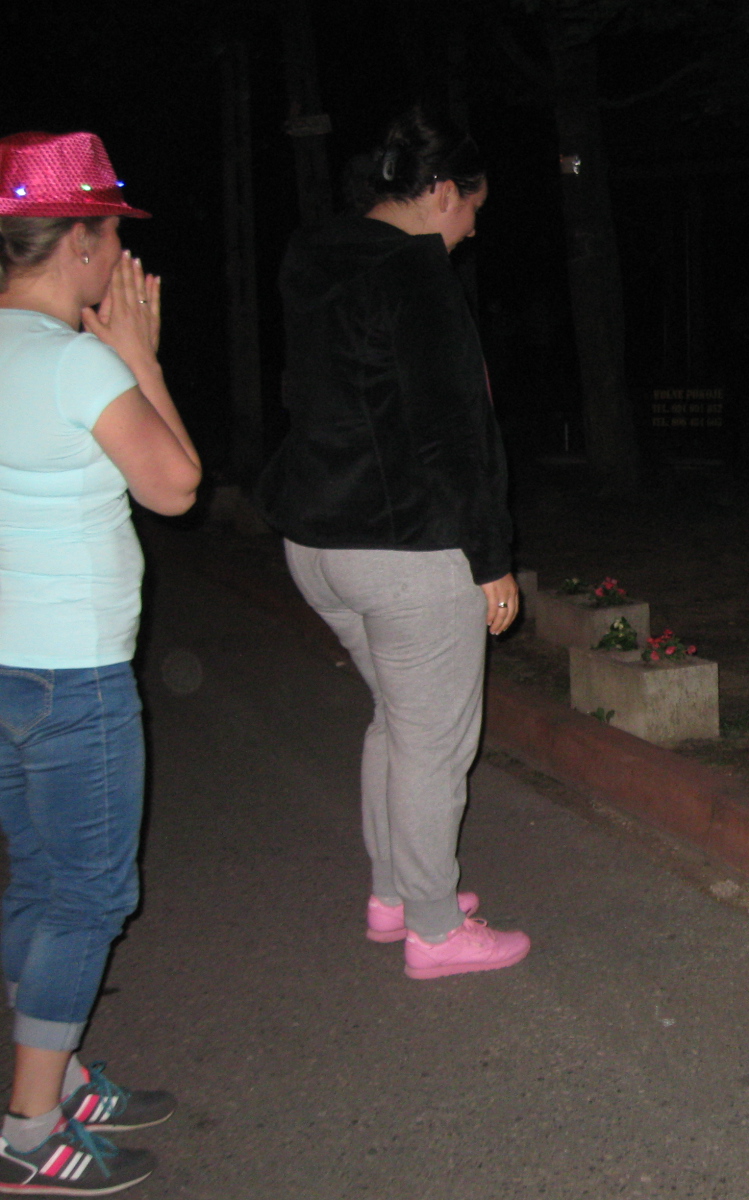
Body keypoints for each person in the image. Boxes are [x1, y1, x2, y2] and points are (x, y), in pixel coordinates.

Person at [256, 106, 530, 980]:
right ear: (442, 192)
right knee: (434, 743)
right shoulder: (415, 270)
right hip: (405, 546)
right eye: (472, 207)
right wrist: (490, 556)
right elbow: (453, 429)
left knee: (397, 720)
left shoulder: (312, 256)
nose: (473, 227)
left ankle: (394, 898)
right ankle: (436, 932)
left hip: (317, 540)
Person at [0, 130, 199, 1193]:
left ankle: (58, 1076)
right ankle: (28, 1133)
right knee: (87, 896)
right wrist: (139, 356)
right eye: (111, 234)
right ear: (76, 242)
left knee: (38, 880)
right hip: (71, 677)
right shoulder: (77, 362)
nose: (119, 255)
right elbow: (175, 485)